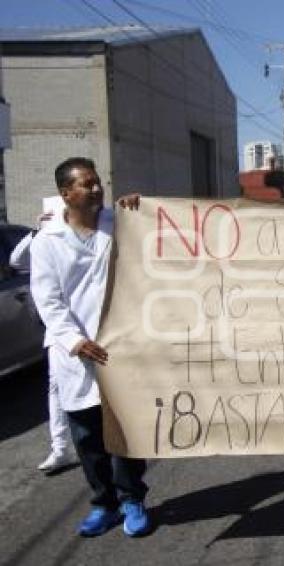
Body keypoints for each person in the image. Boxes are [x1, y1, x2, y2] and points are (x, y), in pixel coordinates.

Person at [29, 157, 150, 537]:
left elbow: (160, 240)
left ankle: (133, 500)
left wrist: (141, 210)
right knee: (88, 438)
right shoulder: (46, 242)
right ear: (66, 194)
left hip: (120, 347)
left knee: (125, 432)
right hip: (77, 352)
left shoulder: (120, 224)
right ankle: (105, 504)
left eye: (98, 182)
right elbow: (47, 300)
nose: (97, 189)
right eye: (87, 184)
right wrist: (75, 341)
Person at [9, 212, 79, 473]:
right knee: (56, 386)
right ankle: (61, 447)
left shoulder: (85, 235)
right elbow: (16, 261)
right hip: (58, 328)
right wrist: (37, 231)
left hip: (90, 324)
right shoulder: (45, 239)